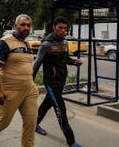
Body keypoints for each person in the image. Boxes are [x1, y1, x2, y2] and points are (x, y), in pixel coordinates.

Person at [0, 14, 39, 147]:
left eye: (28, 25)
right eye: (23, 25)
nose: (26, 28)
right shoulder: (5, 42)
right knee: (4, 121)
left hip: (29, 89)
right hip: (11, 90)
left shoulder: (27, 44)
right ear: (15, 26)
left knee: (31, 123)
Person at [33, 17, 82, 147]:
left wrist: (74, 62)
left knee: (46, 104)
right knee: (61, 109)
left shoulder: (64, 43)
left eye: (65, 28)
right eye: (60, 28)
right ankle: (71, 142)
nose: (63, 31)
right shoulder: (46, 44)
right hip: (51, 83)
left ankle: (33, 125)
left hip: (61, 81)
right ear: (54, 27)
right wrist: (29, 80)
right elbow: (37, 63)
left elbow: (66, 59)